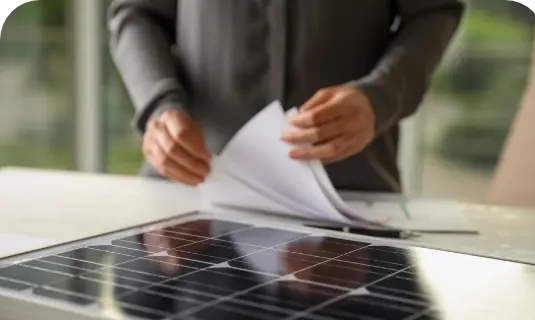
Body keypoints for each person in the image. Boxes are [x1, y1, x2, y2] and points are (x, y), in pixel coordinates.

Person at [108, 0, 464, 192]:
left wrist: (381, 95)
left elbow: (434, 11)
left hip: (353, 194)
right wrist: (158, 106)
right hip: (191, 189)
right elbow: (138, 13)